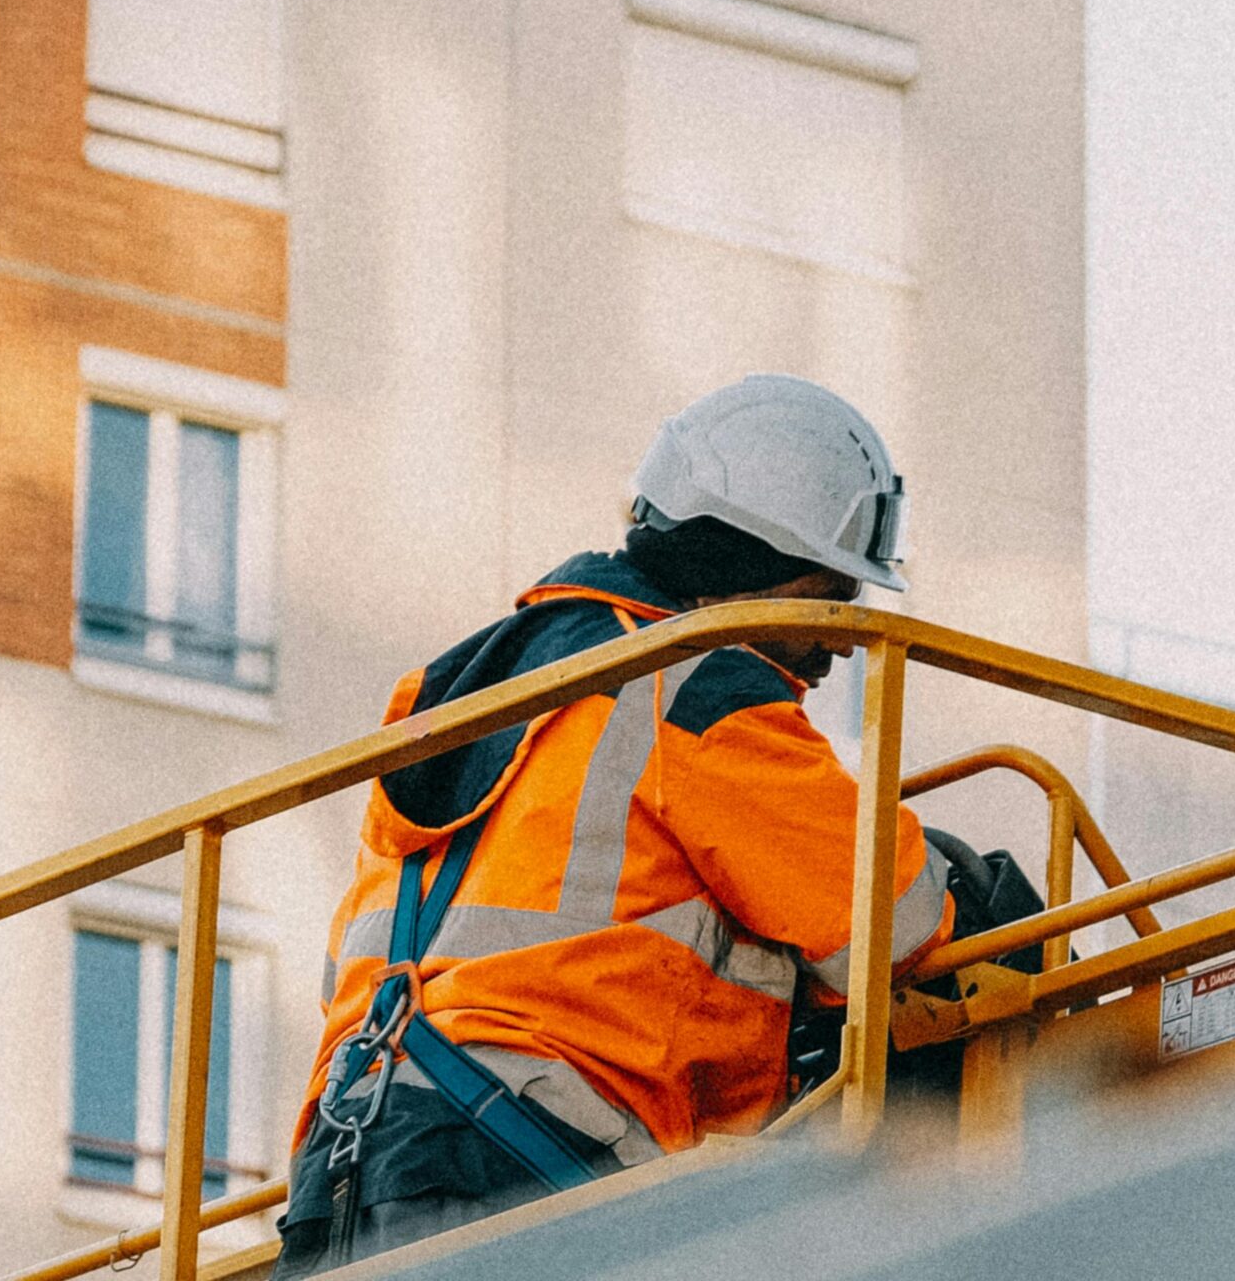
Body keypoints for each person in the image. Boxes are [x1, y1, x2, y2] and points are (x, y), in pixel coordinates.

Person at [270, 374, 955, 1276]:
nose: (837, 639)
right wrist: (983, 891)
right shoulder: (695, 688)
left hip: (344, 1179)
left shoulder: (454, 703)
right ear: (745, 565)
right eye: (827, 595)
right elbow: (896, 922)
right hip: (533, 1164)